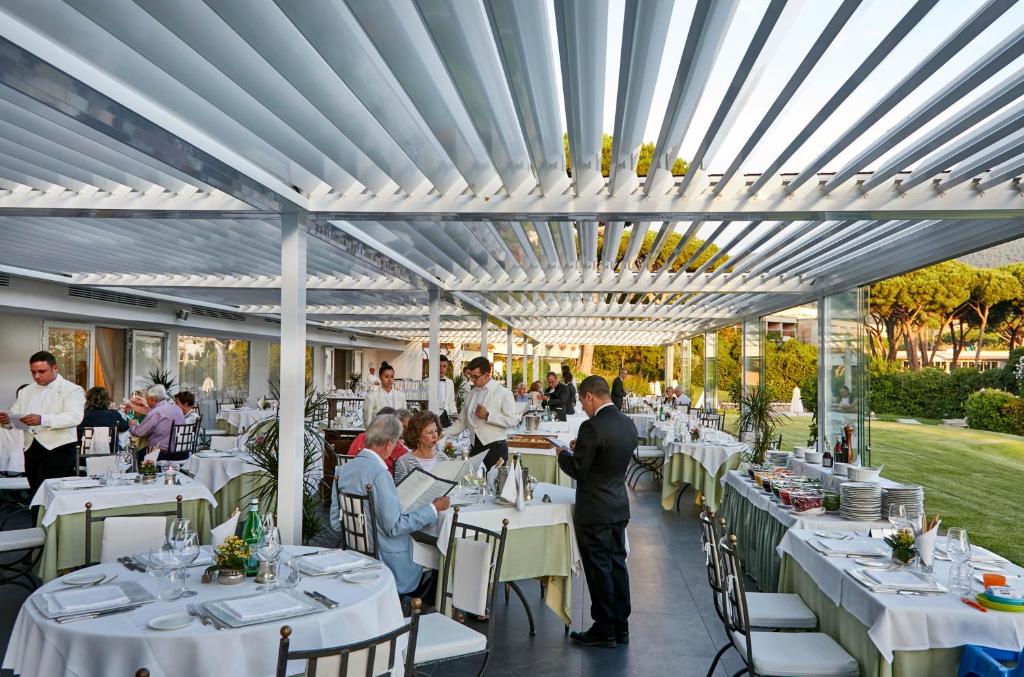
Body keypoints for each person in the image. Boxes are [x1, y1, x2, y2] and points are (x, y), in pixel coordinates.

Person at [332, 413, 450, 596]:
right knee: (444, 553)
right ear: (388, 443)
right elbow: (394, 527)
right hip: (390, 559)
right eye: (396, 443)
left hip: (355, 555)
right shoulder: (380, 475)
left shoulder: (343, 470)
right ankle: (428, 612)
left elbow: (335, 522)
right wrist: (433, 508)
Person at [557, 375, 634, 648]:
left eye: (581, 401)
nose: (583, 407)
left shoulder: (591, 427)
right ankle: (620, 626)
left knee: (599, 569)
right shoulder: (627, 423)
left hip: (595, 509)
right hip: (618, 505)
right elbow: (608, 458)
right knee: (617, 565)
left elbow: (579, 470)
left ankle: (604, 629)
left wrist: (563, 454)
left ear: (589, 396)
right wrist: (583, 451)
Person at [1, 351, 86, 499]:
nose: (36, 376)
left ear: (55, 368)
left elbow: (74, 417)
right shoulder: (25, 391)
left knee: (50, 494)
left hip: (59, 449)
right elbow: (16, 415)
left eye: (41, 371)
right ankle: (37, 522)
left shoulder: (72, 389)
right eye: (33, 372)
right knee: (35, 493)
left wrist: (42, 419)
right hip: (31, 448)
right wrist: (7, 421)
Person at [445, 356, 519, 470]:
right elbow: (461, 422)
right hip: (475, 447)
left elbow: (512, 420)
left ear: (487, 375)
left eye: (475, 377)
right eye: (471, 377)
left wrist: (488, 416)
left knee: (494, 484)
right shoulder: (471, 393)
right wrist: (443, 434)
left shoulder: (504, 393)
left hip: (495, 448)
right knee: (474, 483)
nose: (472, 380)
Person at [347, 408, 410, 474]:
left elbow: (349, 458)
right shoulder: (394, 446)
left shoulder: (361, 436)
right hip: (378, 479)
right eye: (404, 427)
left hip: (352, 475)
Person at [127, 384, 185, 457]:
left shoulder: (156, 412)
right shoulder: (177, 409)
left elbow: (138, 432)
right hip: (181, 452)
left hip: (161, 453)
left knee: (134, 455)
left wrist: (132, 425)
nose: (146, 401)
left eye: (147, 398)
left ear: (152, 399)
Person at [393, 410, 448, 484]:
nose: (435, 436)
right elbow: (400, 493)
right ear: (417, 435)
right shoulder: (404, 462)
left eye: (436, 431)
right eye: (429, 432)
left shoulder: (443, 458)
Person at [79, 386, 129, 452]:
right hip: (110, 453)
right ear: (107, 399)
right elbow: (125, 427)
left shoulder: (81, 415)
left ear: (88, 399)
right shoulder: (113, 414)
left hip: (84, 454)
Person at [363, 361, 407, 427]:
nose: (390, 379)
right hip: (378, 435)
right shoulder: (371, 397)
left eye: (392, 377)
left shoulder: (401, 396)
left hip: (398, 434)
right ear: (380, 377)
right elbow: (367, 422)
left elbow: (405, 418)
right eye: (386, 377)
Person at [434, 355, 458, 428]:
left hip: (446, 417)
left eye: (444, 366)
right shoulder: (426, 382)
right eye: (439, 366)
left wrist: (455, 414)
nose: (442, 369)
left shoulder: (450, 382)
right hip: (432, 417)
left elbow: (451, 401)